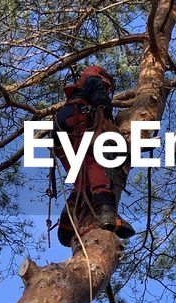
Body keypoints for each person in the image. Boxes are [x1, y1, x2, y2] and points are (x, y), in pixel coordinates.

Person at [54, 64, 135, 246]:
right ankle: (106, 212)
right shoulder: (93, 80)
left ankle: (68, 219)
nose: (106, 88)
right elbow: (100, 98)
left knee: (79, 176)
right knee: (95, 162)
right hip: (79, 120)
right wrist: (104, 112)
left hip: (61, 129)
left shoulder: (75, 94)